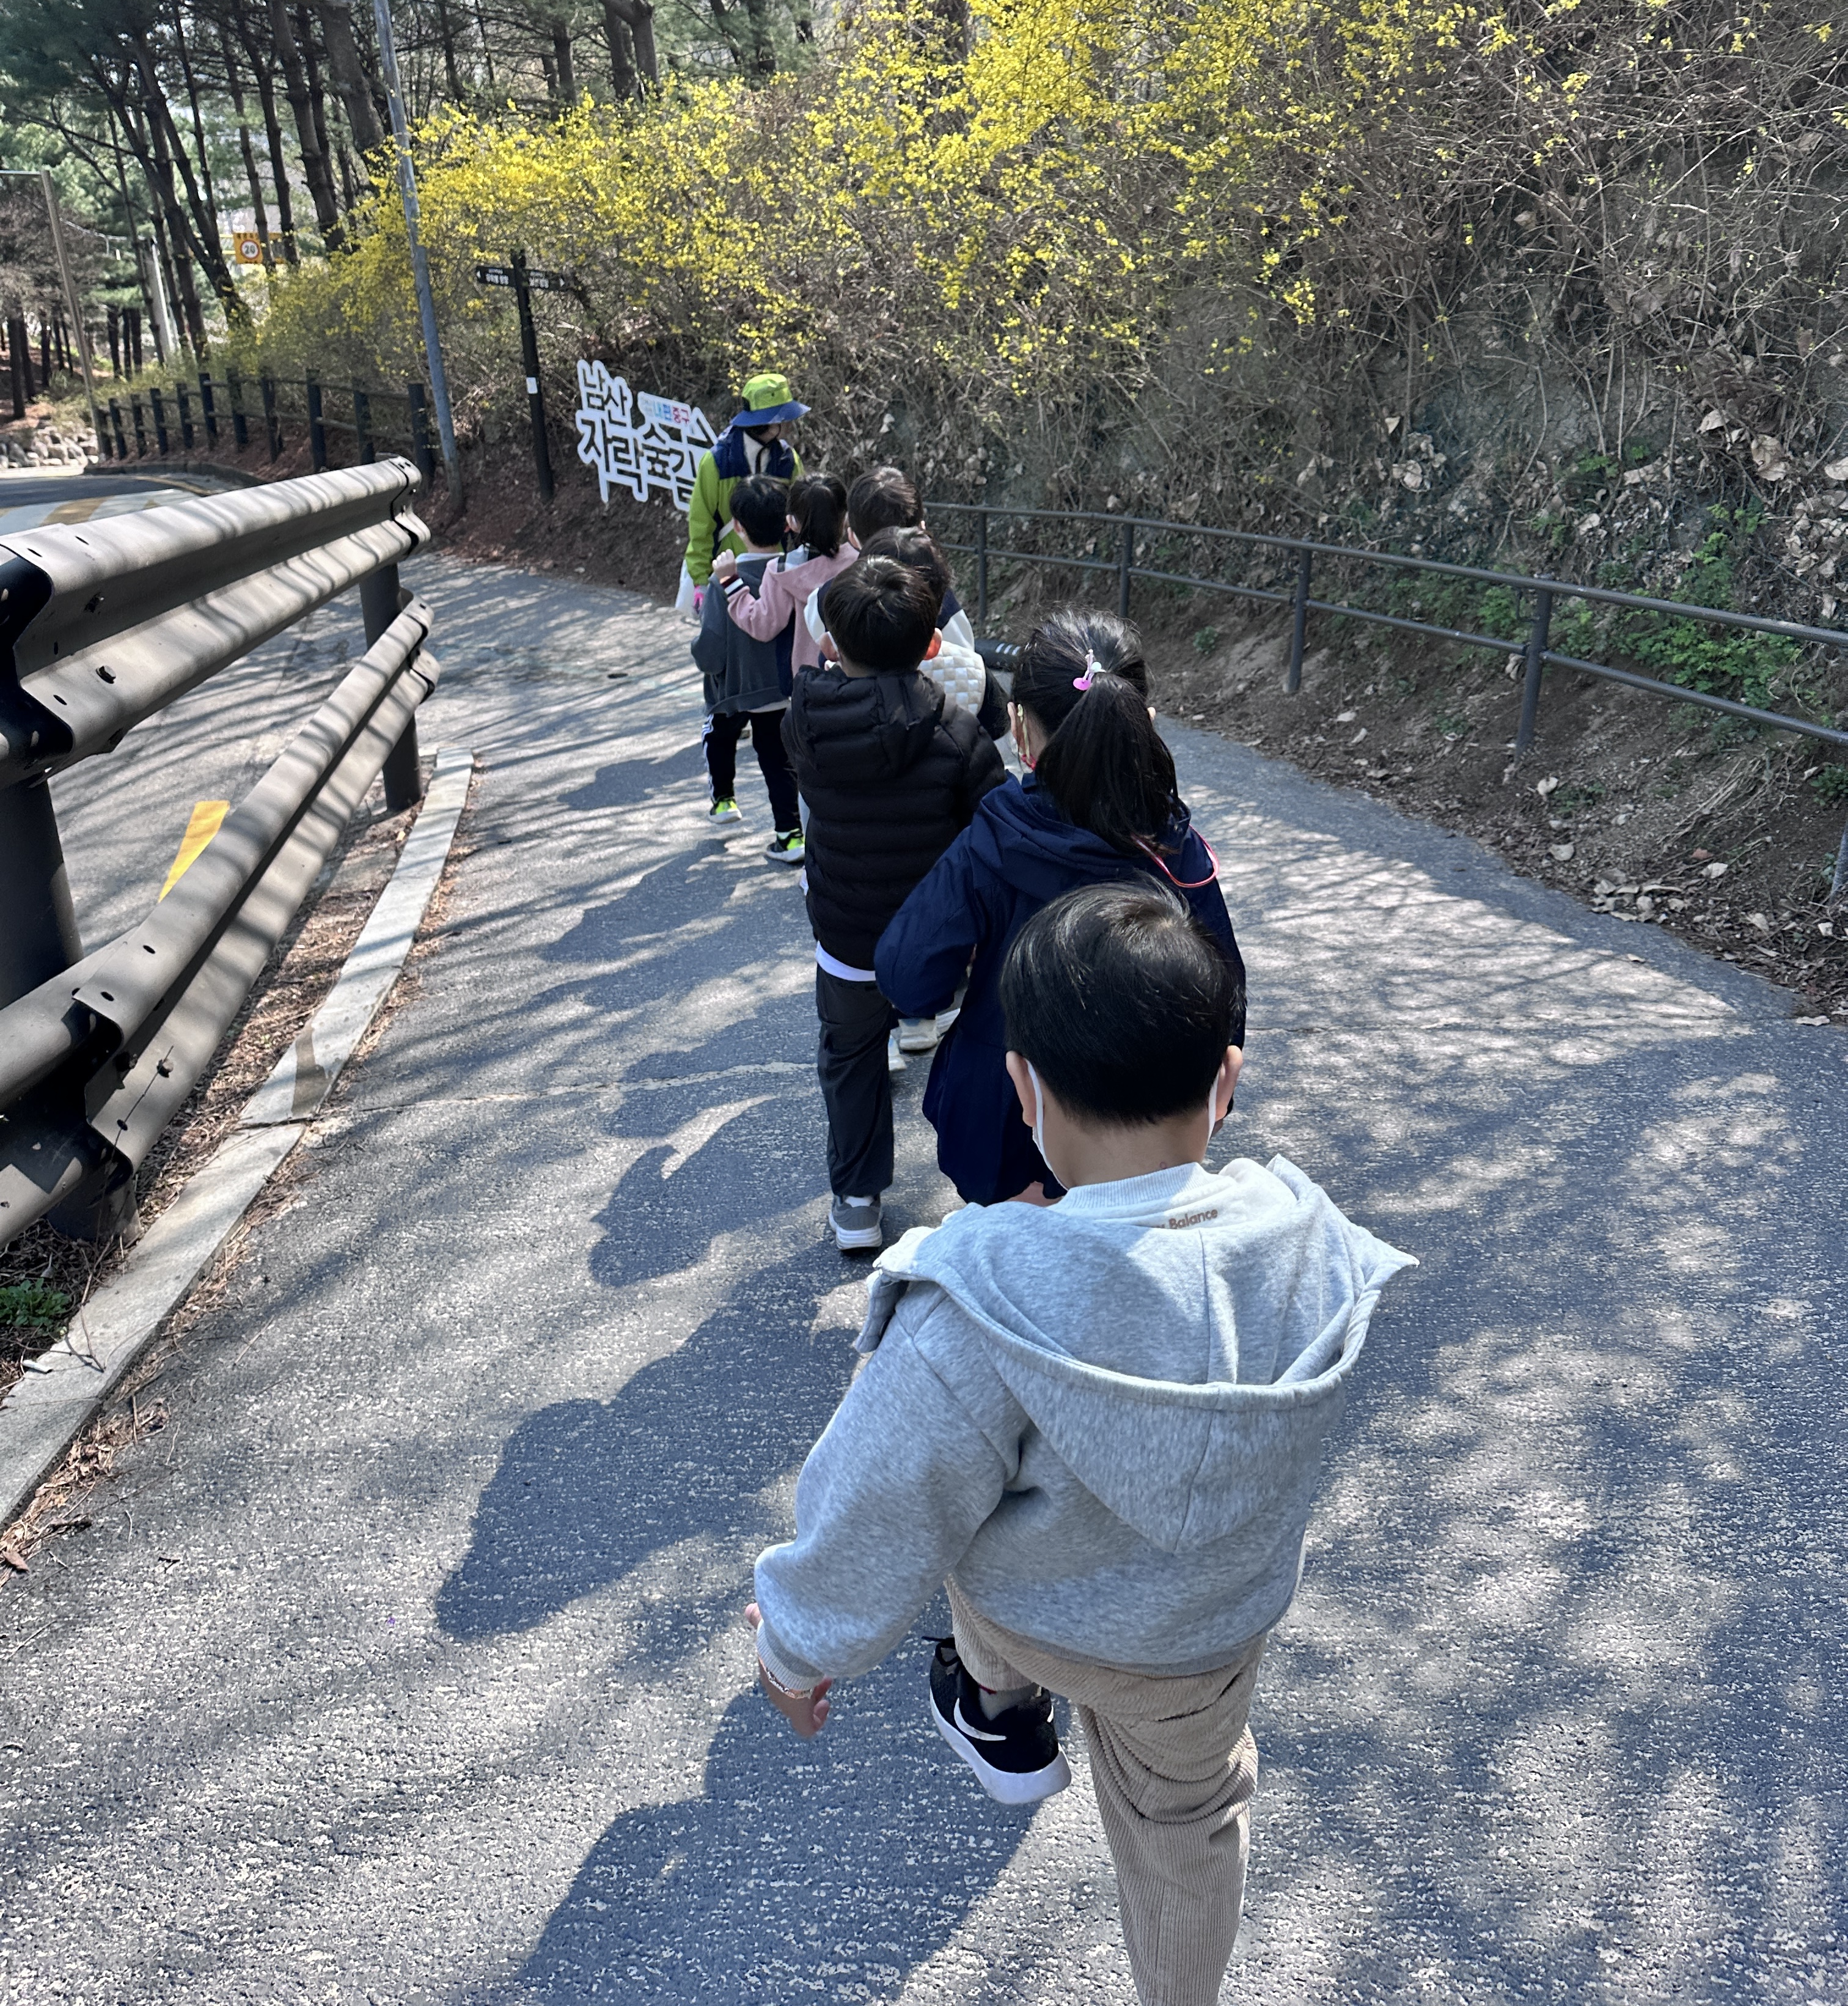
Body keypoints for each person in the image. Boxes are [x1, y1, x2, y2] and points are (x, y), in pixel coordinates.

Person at [746, 881, 1415, 2006]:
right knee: (1186, 1827)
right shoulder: (1308, 1244)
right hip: (1205, 1638)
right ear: (1225, 1082)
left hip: (1043, 1618)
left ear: (1023, 1089)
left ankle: (997, 1704)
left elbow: (882, 1499)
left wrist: (795, 1650)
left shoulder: (979, 1300)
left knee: (972, 1512)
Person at [877, 608, 1243, 1205]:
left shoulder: (991, 845)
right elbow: (1227, 1001)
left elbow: (908, 975)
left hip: (1005, 1116)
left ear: (1019, 729)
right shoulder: (1180, 858)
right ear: (1142, 722)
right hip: (1147, 1137)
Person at [780, 552, 1006, 1251]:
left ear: (834, 644)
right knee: (987, 1044)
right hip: (943, 944)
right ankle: (995, 1189)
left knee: (850, 1056)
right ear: (933, 645)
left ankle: (856, 1203)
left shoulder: (804, 722)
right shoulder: (958, 735)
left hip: (847, 937)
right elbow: (994, 829)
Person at [692, 474, 804, 861]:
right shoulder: (794, 571)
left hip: (736, 691)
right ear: (786, 523)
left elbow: (711, 649)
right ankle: (790, 836)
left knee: (717, 734)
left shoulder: (723, 581)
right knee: (778, 761)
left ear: (737, 527)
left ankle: (724, 800)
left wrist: (701, 658)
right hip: (782, 690)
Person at [678, 372, 807, 612]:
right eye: (785, 418)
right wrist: (701, 582)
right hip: (726, 573)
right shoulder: (717, 462)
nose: (791, 424)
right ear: (768, 423)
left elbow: (802, 518)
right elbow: (701, 524)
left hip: (774, 574)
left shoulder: (788, 460)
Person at [716, 472, 854, 674]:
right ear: (845, 518)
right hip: (858, 674)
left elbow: (762, 625)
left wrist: (730, 582)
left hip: (810, 680)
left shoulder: (782, 571)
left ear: (792, 522)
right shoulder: (860, 560)